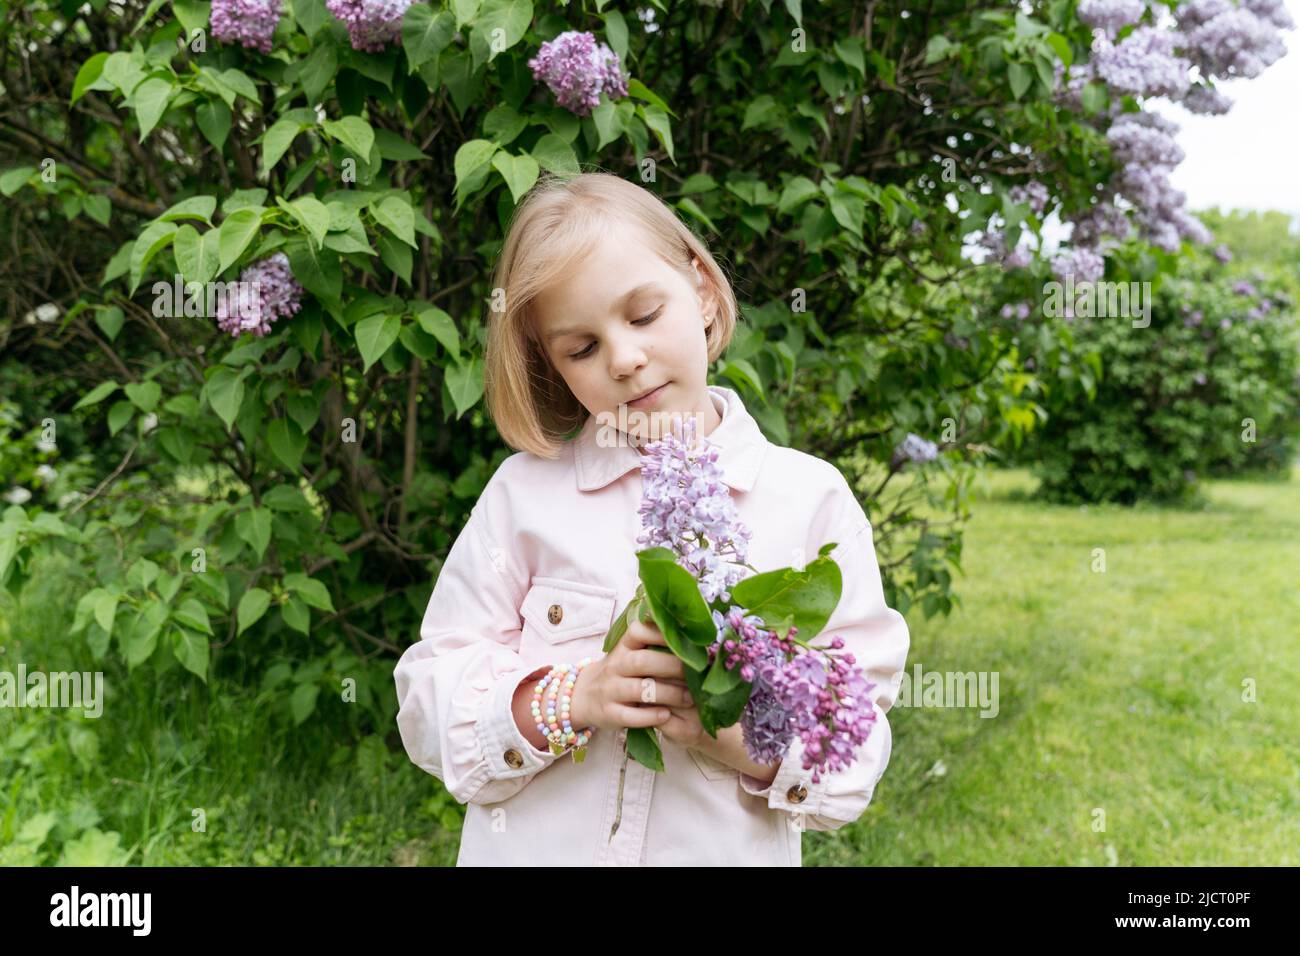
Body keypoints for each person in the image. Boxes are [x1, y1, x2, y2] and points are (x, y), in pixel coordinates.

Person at [393, 171, 910, 865]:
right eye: (582, 348)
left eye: (642, 316)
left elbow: (853, 752)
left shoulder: (809, 502)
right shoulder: (525, 498)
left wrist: (718, 728)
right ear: (553, 366)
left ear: (700, 290)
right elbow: (429, 706)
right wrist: (580, 695)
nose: (626, 360)